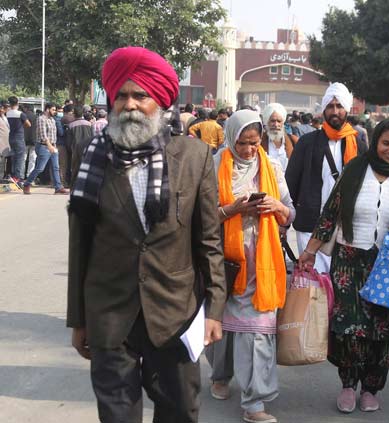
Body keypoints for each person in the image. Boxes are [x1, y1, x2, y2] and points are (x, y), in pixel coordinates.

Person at [66, 46, 225, 423]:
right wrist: (79, 318)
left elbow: (208, 241)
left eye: (141, 95)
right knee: (117, 416)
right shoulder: (93, 158)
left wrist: (215, 309)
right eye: (121, 95)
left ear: (162, 102)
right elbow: (80, 244)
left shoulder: (194, 156)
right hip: (109, 312)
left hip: (175, 312)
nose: (130, 104)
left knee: (180, 412)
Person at [300, 118, 389, 414]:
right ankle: (348, 384)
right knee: (349, 330)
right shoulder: (355, 170)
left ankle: (371, 387)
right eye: (386, 143)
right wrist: (310, 250)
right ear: (376, 141)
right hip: (350, 262)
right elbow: (331, 212)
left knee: (382, 332)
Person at [210, 109, 294, 423]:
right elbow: (203, 216)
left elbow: (291, 213)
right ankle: (220, 375)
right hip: (225, 259)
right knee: (222, 323)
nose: (248, 149)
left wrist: (278, 207)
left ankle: (254, 402)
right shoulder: (215, 165)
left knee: (258, 331)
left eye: (254, 143)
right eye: (242, 143)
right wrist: (235, 208)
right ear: (231, 138)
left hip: (264, 261)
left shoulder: (271, 166)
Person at [285, 82, 368, 273]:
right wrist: (284, 222)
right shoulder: (307, 143)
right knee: (314, 285)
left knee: (339, 282)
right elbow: (291, 183)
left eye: (339, 106)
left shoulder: (358, 145)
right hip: (310, 225)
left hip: (344, 227)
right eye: (330, 106)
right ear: (323, 110)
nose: (335, 111)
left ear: (346, 110)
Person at [22, 103, 68, 194]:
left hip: (53, 146)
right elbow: (43, 135)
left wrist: (54, 146)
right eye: (53, 110)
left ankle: (58, 187)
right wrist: (49, 146)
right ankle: (27, 184)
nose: (55, 112)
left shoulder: (52, 119)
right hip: (44, 146)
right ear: (47, 109)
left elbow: (54, 134)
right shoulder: (41, 119)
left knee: (56, 167)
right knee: (40, 168)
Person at [261, 103, 295, 170]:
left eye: (279, 121)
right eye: (272, 121)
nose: (276, 124)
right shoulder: (259, 141)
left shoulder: (293, 140)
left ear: (283, 123)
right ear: (267, 122)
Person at [6, 96, 31, 186]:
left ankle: (13, 176)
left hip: (11, 136)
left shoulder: (7, 113)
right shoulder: (20, 114)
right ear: (18, 103)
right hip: (19, 137)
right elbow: (28, 124)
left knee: (13, 156)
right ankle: (18, 178)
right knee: (20, 158)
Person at [23, 105, 38, 178]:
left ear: (26, 108)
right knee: (32, 159)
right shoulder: (36, 117)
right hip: (33, 140)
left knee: (23, 158)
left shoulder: (23, 116)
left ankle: (21, 175)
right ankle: (30, 175)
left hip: (24, 139)